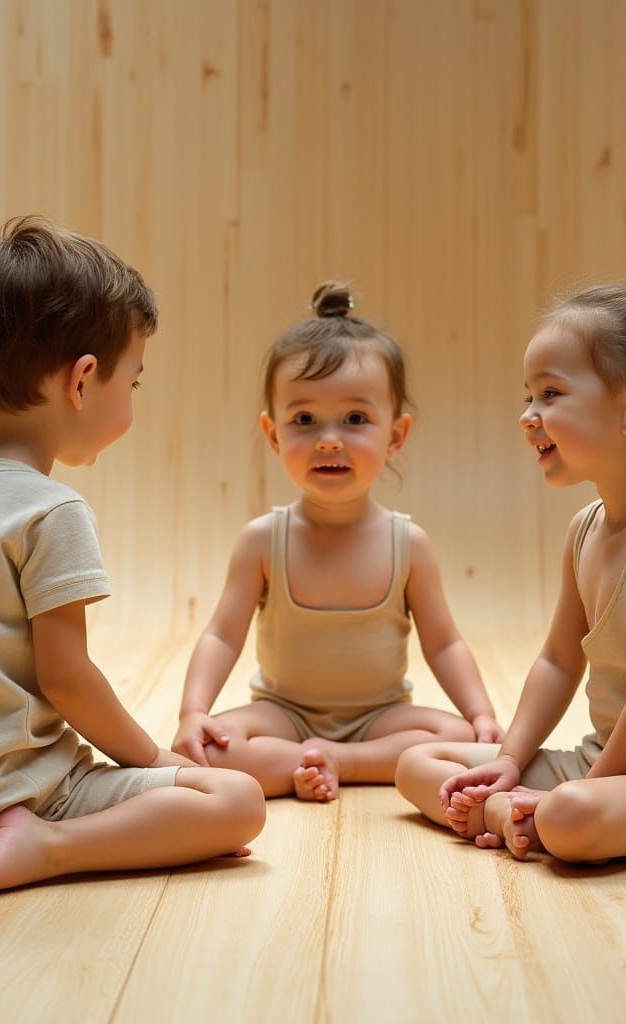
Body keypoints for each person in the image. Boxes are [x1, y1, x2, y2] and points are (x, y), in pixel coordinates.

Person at [0, 216, 266, 896]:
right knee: (237, 802)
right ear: (82, 382)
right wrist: (158, 761)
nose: (133, 398)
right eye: (132, 382)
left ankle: (19, 831)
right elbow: (68, 680)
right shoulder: (49, 511)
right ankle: (47, 846)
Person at [396, 248, 626, 862]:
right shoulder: (585, 529)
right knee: (417, 763)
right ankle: (514, 815)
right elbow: (559, 662)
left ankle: (531, 819)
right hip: (605, 760)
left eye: (549, 394)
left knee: (570, 817)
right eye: (528, 395)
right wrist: (509, 761)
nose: (526, 417)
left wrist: (586, 790)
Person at [172, 283, 502, 802]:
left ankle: (332, 762)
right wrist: (193, 712)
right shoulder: (262, 541)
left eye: (355, 419)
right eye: (304, 420)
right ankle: (313, 760)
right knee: (206, 747)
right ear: (273, 433)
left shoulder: (408, 544)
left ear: (396, 435)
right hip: (282, 713)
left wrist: (481, 713)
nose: (329, 439)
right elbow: (221, 636)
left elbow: (444, 643)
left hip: (381, 717)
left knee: (457, 738)